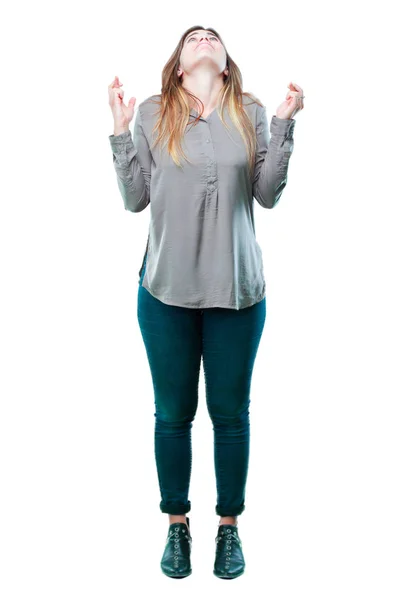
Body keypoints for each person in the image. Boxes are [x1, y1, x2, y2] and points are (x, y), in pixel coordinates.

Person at [107, 25, 304, 579]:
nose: (204, 38)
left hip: (237, 294)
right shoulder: (152, 111)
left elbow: (267, 193)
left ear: (224, 62)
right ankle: (176, 526)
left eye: (212, 36)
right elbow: (134, 199)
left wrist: (286, 123)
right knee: (173, 415)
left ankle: (228, 529)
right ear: (177, 65)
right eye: (193, 36)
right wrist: (121, 130)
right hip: (166, 292)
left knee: (230, 416)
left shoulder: (252, 111)